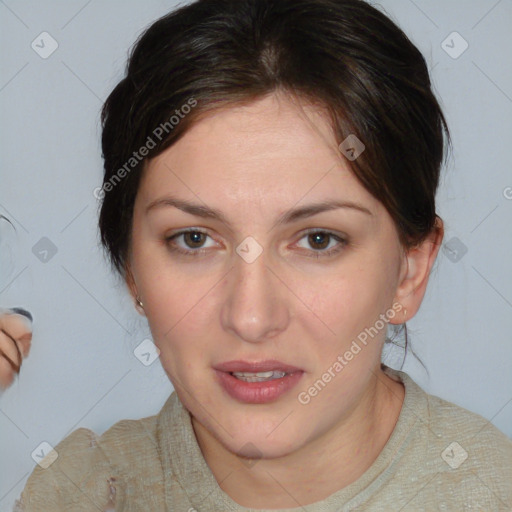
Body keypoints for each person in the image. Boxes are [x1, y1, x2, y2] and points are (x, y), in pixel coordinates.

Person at [11, 0, 512, 510]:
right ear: (131, 270)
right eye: (194, 239)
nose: (251, 318)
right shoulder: (77, 494)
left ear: (410, 271)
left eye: (319, 239)